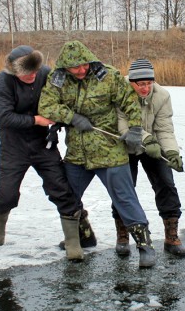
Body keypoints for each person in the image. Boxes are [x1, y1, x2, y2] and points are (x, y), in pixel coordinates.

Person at [38, 40, 157, 268]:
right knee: (67, 196)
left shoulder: (108, 76)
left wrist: (134, 129)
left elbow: (130, 103)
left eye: (84, 65)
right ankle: (83, 236)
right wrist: (71, 117)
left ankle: (145, 246)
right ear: (65, 67)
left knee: (124, 197)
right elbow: (46, 106)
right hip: (78, 151)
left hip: (109, 149)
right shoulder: (57, 79)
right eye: (75, 67)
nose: (81, 70)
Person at [0, 45, 97, 260]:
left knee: (61, 189)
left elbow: (62, 95)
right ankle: (0, 218)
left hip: (43, 144)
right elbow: (4, 118)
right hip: (13, 147)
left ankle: (73, 241)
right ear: (14, 71)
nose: (33, 76)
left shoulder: (46, 73)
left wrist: (60, 118)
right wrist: (36, 120)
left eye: (35, 71)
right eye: (27, 73)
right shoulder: (3, 82)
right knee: (7, 193)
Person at [116, 59, 185, 257]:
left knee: (166, 184)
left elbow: (164, 128)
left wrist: (172, 152)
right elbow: (122, 126)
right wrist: (146, 140)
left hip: (154, 147)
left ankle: (171, 236)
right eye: (141, 84)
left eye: (149, 83)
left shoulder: (162, 96)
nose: (146, 88)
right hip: (125, 146)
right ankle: (123, 235)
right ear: (132, 82)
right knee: (124, 189)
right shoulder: (120, 92)